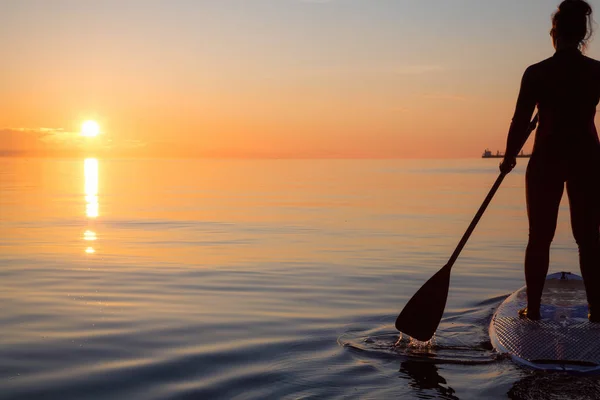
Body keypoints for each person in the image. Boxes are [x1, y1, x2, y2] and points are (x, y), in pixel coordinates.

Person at [499, 0, 600, 322]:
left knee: (539, 237)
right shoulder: (596, 71)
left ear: (554, 34)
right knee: (589, 239)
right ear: (584, 34)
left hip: (547, 159)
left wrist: (510, 157)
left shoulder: (537, 73)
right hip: (588, 158)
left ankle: (535, 310)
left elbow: (519, 121)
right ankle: (597, 311)